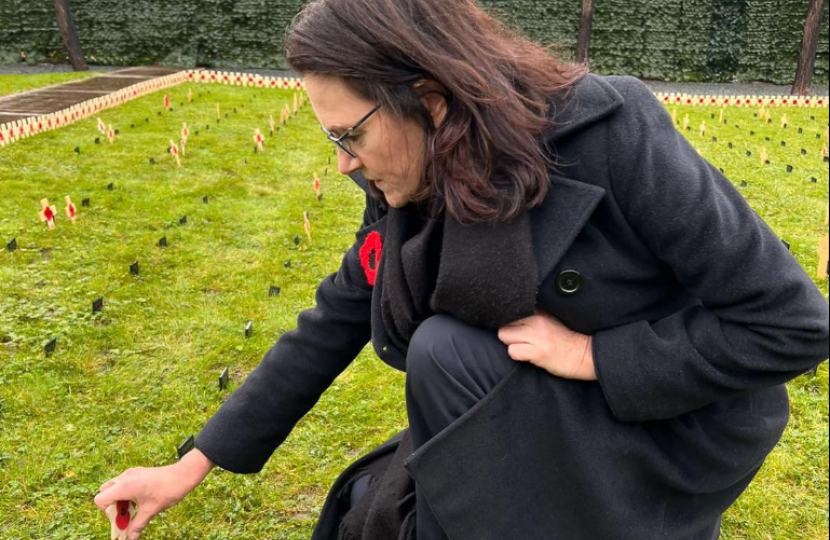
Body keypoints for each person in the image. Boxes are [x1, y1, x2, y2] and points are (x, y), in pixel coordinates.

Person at [94, 0, 830, 539]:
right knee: (434, 376)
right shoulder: (410, 182)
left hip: (671, 426)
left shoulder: (612, 132)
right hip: (539, 396)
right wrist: (188, 467)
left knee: (444, 358)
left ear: (432, 102)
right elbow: (340, 314)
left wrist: (593, 355)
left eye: (350, 134)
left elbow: (792, 325)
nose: (344, 162)